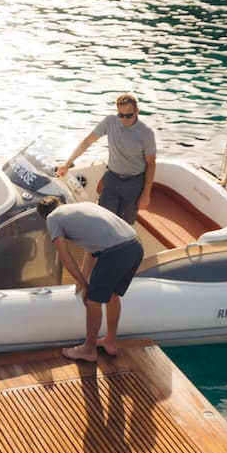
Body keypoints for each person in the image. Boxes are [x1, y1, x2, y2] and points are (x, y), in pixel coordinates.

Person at [36, 196, 144, 363]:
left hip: (115, 253)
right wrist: (83, 280)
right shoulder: (83, 207)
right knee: (112, 295)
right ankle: (110, 341)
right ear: (61, 204)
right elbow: (92, 251)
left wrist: (86, 286)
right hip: (135, 247)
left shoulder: (52, 218)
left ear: (43, 217)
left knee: (94, 301)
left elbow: (65, 258)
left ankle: (88, 350)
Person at [56, 93, 157, 225]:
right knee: (103, 219)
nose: (124, 119)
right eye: (121, 115)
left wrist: (146, 194)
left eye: (129, 115)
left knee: (124, 224)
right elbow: (87, 141)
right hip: (112, 179)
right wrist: (67, 164)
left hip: (134, 183)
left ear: (137, 111)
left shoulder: (146, 133)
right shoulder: (110, 121)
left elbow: (151, 164)